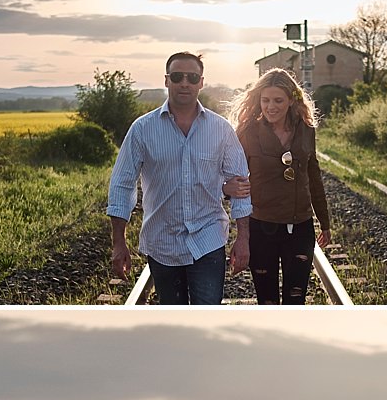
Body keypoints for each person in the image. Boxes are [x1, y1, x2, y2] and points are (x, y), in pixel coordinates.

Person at [108, 51, 251, 304]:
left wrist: (243, 238)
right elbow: (122, 184)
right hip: (162, 242)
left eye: (192, 77)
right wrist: (119, 242)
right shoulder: (142, 129)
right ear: (166, 80)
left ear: (201, 82)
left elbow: (240, 184)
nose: (184, 83)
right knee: (173, 321)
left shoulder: (221, 130)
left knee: (206, 321)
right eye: (177, 76)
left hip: (208, 239)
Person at [225, 68, 332, 305]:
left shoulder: (306, 130)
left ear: (292, 100)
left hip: (300, 228)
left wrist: (324, 222)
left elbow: (313, 176)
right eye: (265, 100)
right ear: (258, 100)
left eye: (278, 100)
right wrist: (226, 188)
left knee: (296, 300)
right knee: (267, 300)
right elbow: (230, 175)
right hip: (262, 227)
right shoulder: (247, 133)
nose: (270, 106)